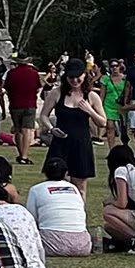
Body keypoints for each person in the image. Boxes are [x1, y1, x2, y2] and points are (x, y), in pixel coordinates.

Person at [52, 64, 107, 196]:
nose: (75, 81)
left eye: (78, 77)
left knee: (80, 186)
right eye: (71, 77)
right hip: (61, 143)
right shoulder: (57, 93)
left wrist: (90, 111)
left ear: (84, 76)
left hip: (81, 144)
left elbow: (102, 122)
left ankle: (80, 214)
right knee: (59, 184)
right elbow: (43, 115)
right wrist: (51, 128)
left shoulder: (92, 96)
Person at [23, 155, 91, 256]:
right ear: (66, 173)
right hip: (83, 245)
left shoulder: (36, 189)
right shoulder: (74, 189)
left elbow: (32, 219)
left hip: (52, 244)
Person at [3, 55, 43, 164]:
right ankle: (24, 156)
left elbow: (7, 88)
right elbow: (38, 88)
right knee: (27, 130)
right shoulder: (34, 73)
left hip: (15, 104)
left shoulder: (12, 73)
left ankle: (21, 154)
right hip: (30, 104)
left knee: (18, 130)